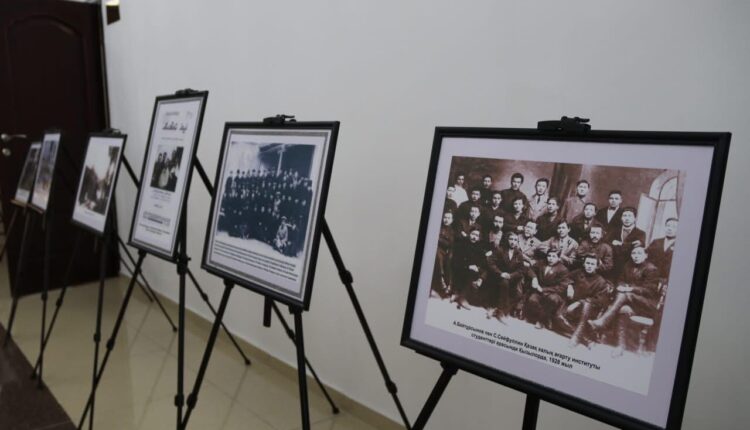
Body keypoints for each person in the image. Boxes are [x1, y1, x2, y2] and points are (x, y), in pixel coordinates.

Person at [587, 245, 660, 357]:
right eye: (633, 253)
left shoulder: (651, 269)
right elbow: (620, 280)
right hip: (629, 303)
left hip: (645, 304)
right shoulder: (628, 266)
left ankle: (602, 321)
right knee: (624, 309)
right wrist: (622, 286)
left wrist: (630, 289)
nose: (636, 256)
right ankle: (620, 346)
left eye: (639, 253)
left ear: (646, 255)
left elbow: (649, 291)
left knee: (624, 295)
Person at [564, 254, 613, 347]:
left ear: (597, 266)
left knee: (587, 304)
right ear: (584, 264)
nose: (589, 266)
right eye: (588, 263)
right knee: (559, 318)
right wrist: (569, 285)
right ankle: (584, 338)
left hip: (587, 310)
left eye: (592, 264)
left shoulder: (600, 281)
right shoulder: (578, 273)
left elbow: (599, 301)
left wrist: (579, 303)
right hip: (571, 304)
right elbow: (566, 278)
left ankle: (577, 336)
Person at [524, 248, 571, 328]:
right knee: (532, 300)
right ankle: (544, 318)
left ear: (558, 258)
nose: (550, 258)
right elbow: (531, 269)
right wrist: (534, 278)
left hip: (553, 293)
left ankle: (541, 320)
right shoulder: (542, 262)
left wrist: (543, 290)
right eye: (549, 256)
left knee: (552, 300)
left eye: (553, 256)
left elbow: (561, 287)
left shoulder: (563, 269)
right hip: (539, 290)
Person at [486, 231, 526, 320]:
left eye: (515, 240)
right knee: (504, 283)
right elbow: (491, 263)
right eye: (511, 239)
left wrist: (511, 275)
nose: (513, 242)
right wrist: (501, 273)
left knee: (518, 293)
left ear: (517, 242)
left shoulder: (519, 254)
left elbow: (521, 270)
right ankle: (500, 310)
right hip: (498, 276)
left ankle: (499, 309)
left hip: (511, 278)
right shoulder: (500, 250)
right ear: (507, 240)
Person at [451, 227, 488, 309]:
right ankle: (460, 297)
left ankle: (461, 296)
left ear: (479, 238)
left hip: (472, 271)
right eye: (473, 234)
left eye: (477, 235)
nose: (474, 237)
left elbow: (483, 263)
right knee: (469, 272)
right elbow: (455, 260)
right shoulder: (461, 244)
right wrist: (468, 266)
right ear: (469, 234)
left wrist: (478, 270)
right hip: (460, 268)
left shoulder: (479, 247)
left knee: (476, 273)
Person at [607, 207, 646, 279]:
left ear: (635, 218)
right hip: (613, 266)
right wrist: (629, 245)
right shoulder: (614, 231)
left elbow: (637, 247)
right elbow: (608, 245)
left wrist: (620, 244)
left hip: (629, 268)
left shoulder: (640, 233)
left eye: (630, 216)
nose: (627, 218)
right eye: (624, 216)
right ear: (621, 218)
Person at [646, 217, 678, 283]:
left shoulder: (680, 245)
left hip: (668, 280)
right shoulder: (656, 242)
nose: (670, 228)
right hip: (652, 277)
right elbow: (646, 257)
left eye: (674, 227)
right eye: (668, 225)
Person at [433, 210, 455, 296]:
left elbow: (451, 244)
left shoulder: (452, 231)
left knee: (449, 260)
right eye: (445, 217)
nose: (446, 220)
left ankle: (449, 285)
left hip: (447, 251)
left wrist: (440, 240)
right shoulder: (438, 227)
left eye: (449, 218)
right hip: (438, 249)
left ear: (452, 220)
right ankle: (441, 280)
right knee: (439, 257)